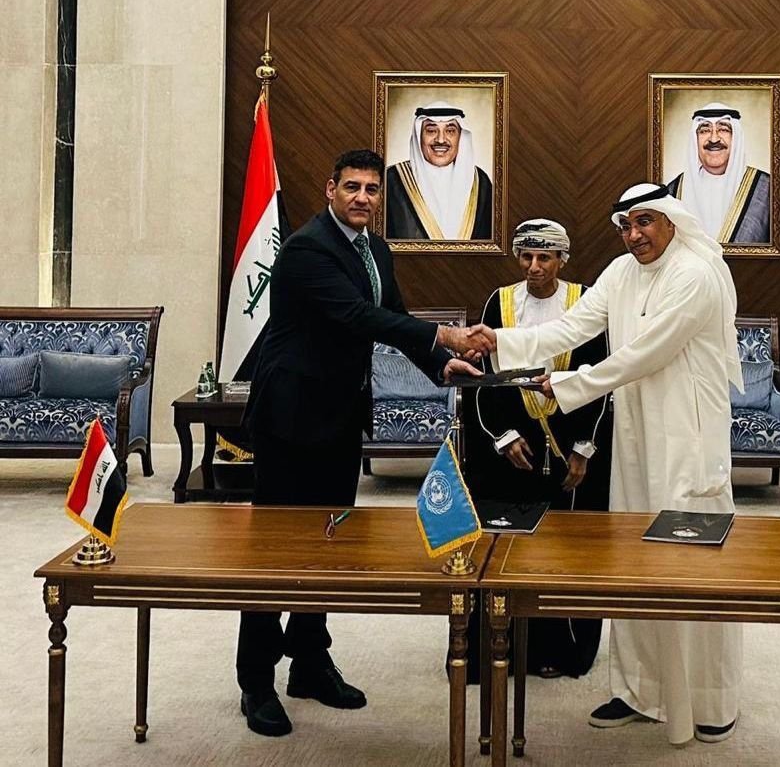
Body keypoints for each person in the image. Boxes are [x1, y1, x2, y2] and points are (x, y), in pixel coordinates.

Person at [473, 183, 745, 745]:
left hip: (688, 437)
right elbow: (570, 328)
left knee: (690, 563)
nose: (634, 234)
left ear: (670, 222)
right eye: (626, 225)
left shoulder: (695, 275)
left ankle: (710, 698)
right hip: (636, 434)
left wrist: (569, 383)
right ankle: (642, 690)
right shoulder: (621, 272)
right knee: (634, 559)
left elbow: (645, 353)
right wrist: (495, 339)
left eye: (645, 222)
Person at [237, 149, 486, 738]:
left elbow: (391, 315)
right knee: (276, 553)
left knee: (329, 545)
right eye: (352, 187)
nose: (362, 198)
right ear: (330, 189)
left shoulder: (375, 249)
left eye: (373, 189)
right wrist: (445, 332)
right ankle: (255, 681)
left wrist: (440, 365)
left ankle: (309, 663)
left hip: (340, 416)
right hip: (290, 418)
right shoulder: (306, 249)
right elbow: (357, 317)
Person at [464, 218, 612, 681]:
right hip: (514, 441)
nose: (534, 267)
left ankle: (558, 649)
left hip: (570, 438)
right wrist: (503, 435)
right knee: (508, 546)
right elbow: (484, 377)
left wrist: (585, 448)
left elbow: (601, 378)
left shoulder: (585, 301)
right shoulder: (499, 301)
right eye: (526, 257)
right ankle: (501, 646)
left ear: (561, 260)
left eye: (544, 257)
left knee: (566, 547)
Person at [385, 101, 493, 240]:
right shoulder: (392, 179)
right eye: (431, 131)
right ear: (419, 136)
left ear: (460, 137)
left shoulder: (480, 182)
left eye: (450, 131)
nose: (441, 140)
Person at [665, 101, 770, 244]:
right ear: (695, 139)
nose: (714, 138)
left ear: (736, 138)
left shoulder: (767, 189)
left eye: (724, 130)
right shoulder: (672, 192)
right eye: (704, 131)